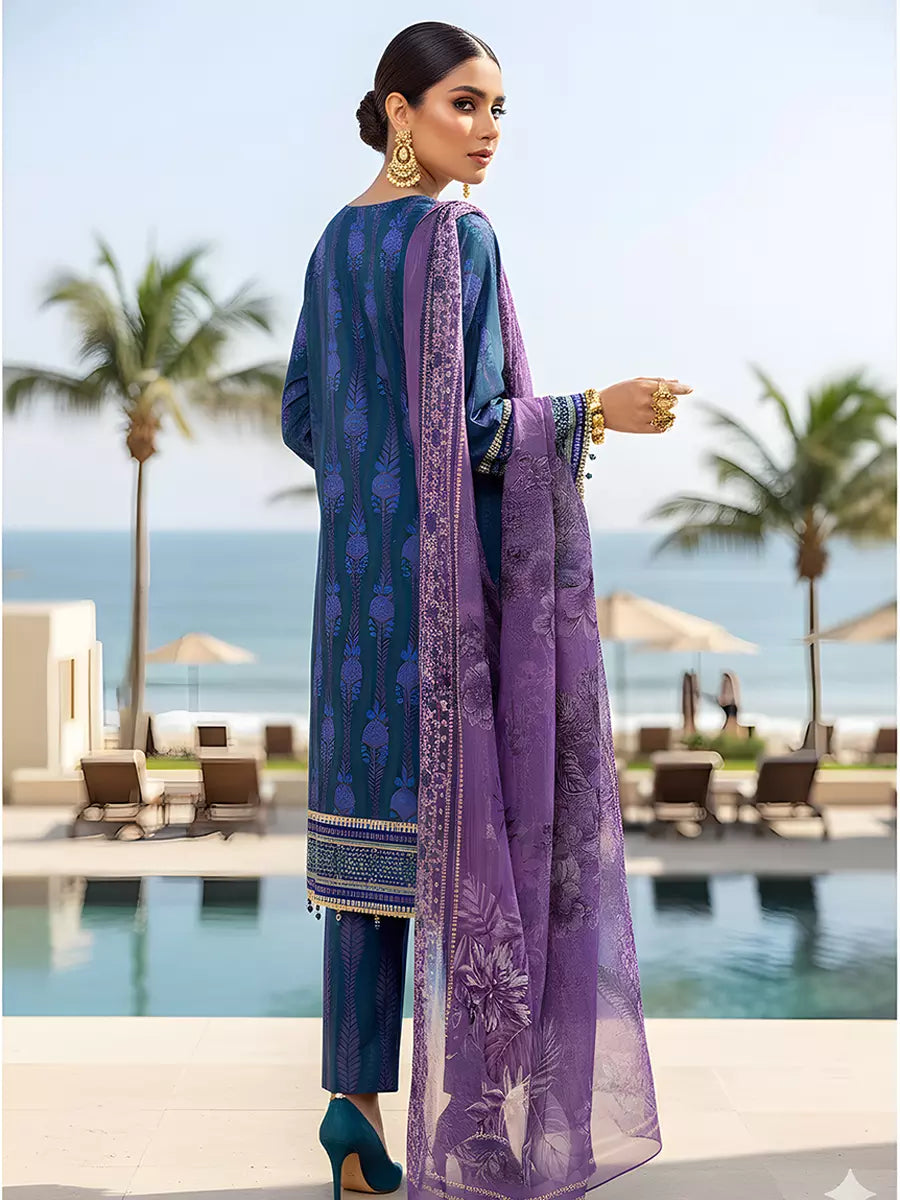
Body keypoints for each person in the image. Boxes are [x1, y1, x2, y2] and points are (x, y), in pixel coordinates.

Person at [281, 21, 689, 1200]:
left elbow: (304, 416)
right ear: (399, 112)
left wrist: (375, 491)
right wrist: (596, 411)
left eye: (499, 109)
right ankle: (479, 1127)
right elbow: (478, 431)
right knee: (476, 861)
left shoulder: (332, 244)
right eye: (465, 104)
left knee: (366, 869)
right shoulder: (457, 237)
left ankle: (355, 1116)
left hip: (351, 609)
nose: (489, 130)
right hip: (444, 611)